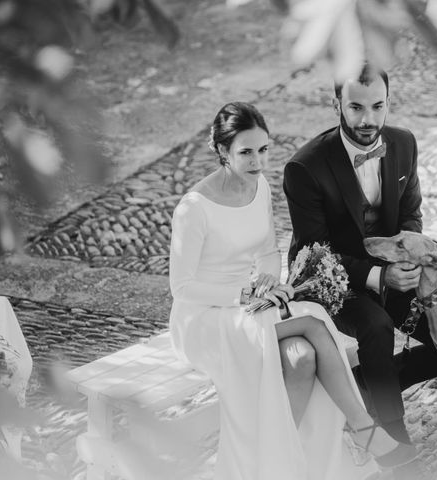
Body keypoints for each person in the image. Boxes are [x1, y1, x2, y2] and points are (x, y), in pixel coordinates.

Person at [168, 101, 416, 480]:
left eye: (263, 150)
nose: (257, 162)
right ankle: (364, 429)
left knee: (301, 358)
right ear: (222, 151)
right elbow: (182, 288)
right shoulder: (194, 209)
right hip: (204, 319)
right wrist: (243, 295)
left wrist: (270, 281)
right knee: (315, 322)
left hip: (252, 307)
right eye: (246, 152)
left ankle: (276, 465)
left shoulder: (260, 187)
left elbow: (268, 253)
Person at [284, 64, 437, 448]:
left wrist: (406, 262)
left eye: (378, 106)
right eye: (355, 107)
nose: (367, 119)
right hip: (330, 279)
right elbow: (315, 251)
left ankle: (366, 383)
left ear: (389, 102)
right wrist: (378, 277)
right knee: (376, 326)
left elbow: (410, 214)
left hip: (393, 267)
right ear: (336, 104)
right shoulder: (304, 167)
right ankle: (392, 432)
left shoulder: (404, 143)